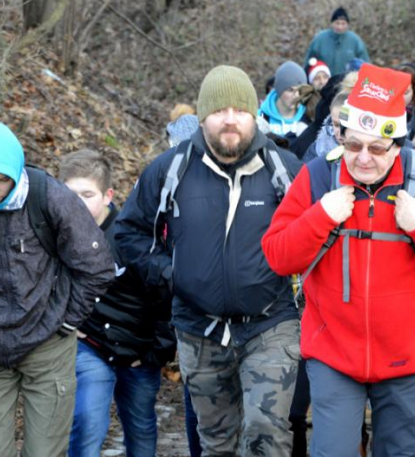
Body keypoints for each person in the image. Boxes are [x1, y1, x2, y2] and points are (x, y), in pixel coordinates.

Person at [262, 63, 415, 457]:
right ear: (340, 137)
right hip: (333, 354)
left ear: (398, 145)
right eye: (352, 145)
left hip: (407, 359)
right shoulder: (317, 177)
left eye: (377, 148)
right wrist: (321, 216)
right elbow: (278, 255)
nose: (363, 159)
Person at [115, 65, 303, 456]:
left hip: (270, 324)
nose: (230, 120)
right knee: (217, 441)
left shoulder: (285, 170)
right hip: (198, 329)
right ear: (202, 117)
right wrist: (172, 274)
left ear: (255, 114)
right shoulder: (170, 170)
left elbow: (317, 238)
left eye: (240, 110)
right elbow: (129, 233)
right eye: (219, 111)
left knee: (266, 433)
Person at [0, 121, 115, 457]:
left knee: (44, 452)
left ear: (16, 171)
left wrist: (68, 320)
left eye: (1, 180)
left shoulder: (51, 198)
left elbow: (96, 266)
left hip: (48, 344)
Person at [60, 149, 176, 457]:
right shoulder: (56, 235)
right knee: (86, 421)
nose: (77, 203)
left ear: (108, 195)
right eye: (70, 194)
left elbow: (164, 294)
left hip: (138, 349)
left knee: (140, 428)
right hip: (89, 346)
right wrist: (67, 325)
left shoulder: (130, 237)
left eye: (87, 194)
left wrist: (156, 351)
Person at [304, 6, 370, 75]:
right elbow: (309, 62)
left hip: (347, 83)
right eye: (337, 23)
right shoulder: (320, 40)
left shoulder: (355, 41)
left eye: (343, 24)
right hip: (325, 82)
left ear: (347, 24)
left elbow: (365, 64)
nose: (340, 27)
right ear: (332, 23)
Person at [258, 60, 310, 138]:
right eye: (290, 90)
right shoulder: (260, 118)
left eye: (300, 90)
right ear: (279, 90)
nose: (296, 96)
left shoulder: (309, 116)